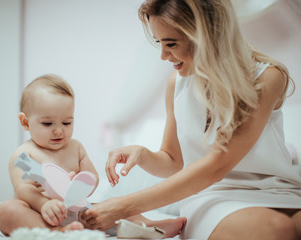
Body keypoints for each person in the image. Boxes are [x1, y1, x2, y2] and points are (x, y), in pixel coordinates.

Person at [81, 1, 301, 240]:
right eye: (159, 43)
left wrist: (123, 205)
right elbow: (174, 161)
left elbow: (219, 163)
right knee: (279, 230)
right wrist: (143, 154)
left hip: (280, 189)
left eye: (171, 44)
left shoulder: (267, 77)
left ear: (206, 35)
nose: (164, 55)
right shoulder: (176, 84)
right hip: (213, 195)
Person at [0, 74, 186, 238]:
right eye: (47, 123)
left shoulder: (75, 147)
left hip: (78, 212)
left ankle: (151, 226)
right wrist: (44, 204)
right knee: (7, 210)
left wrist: (79, 184)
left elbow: (92, 177)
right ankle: (57, 234)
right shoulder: (24, 154)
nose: (58, 131)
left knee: (115, 206)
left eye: (66, 123)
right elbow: (23, 189)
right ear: (25, 122)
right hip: (40, 213)